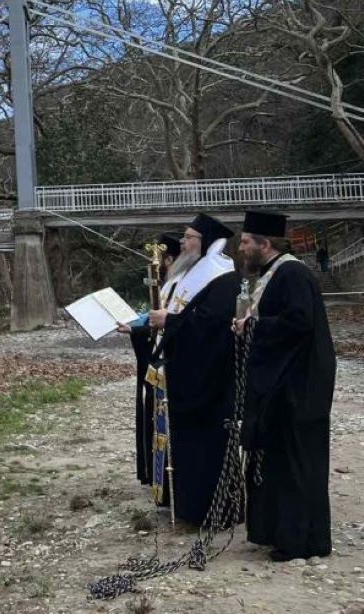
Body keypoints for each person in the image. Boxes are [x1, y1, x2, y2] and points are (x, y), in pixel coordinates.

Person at [234, 210, 337, 561]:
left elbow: (298, 322)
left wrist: (253, 327)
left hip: (299, 390)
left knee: (297, 465)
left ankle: (301, 541)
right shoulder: (274, 274)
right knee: (280, 463)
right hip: (286, 388)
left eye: (246, 242)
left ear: (265, 244)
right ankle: (281, 534)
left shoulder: (291, 273)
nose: (241, 249)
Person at [146, 213, 241, 524]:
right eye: (185, 237)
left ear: (207, 243)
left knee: (208, 444)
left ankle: (213, 511)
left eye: (190, 238)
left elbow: (211, 325)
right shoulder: (190, 272)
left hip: (209, 377)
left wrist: (169, 321)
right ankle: (189, 507)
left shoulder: (222, 275)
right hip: (187, 372)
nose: (184, 243)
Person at [123, 233, 181, 486]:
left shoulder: (183, 285)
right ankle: (153, 472)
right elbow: (154, 319)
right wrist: (137, 328)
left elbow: (173, 323)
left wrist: (137, 330)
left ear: (170, 259)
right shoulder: (170, 283)